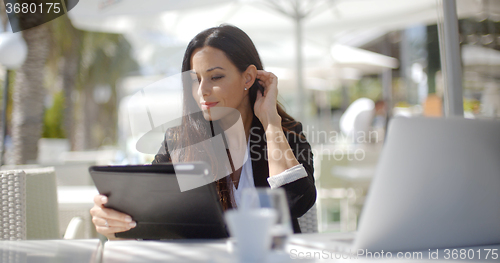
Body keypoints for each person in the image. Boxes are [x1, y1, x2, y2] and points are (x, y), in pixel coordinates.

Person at [90, 25, 316, 240]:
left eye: (215, 77)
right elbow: (153, 219)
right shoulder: (179, 142)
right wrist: (115, 223)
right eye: (195, 80)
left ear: (248, 77)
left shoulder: (285, 134)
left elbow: (297, 203)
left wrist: (270, 123)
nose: (202, 91)